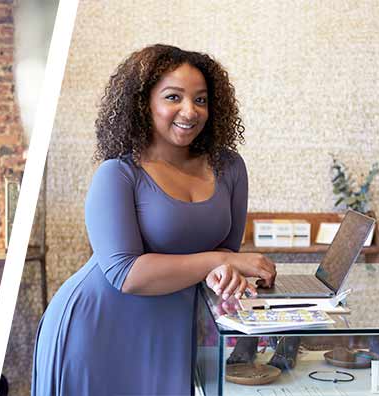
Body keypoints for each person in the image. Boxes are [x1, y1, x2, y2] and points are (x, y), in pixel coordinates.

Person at [31, 44, 277, 395]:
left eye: (201, 100)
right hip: (96, 328)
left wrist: (224, 270)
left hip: (172, 332)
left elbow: (226, 251)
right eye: (173, 97)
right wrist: (223, 260)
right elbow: (125, 274)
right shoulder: (118, 173)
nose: (190, 111)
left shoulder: (230, 167)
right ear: (144, 102)